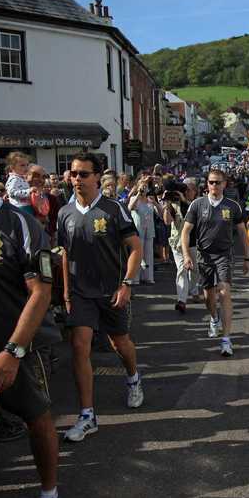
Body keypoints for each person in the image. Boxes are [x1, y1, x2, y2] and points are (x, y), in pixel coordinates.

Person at [0, 147, 59, 497]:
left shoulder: (21, 225)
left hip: (16, 349)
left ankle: (49, 490)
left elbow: (41, 292)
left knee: (37, 420)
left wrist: (13, 350)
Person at [58, 153, 144, 443]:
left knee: (120, 343)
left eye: (83, 174)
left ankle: (133, 378)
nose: (76, 179)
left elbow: (134, 248)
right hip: (81, 293)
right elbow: (65, 254)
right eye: (73, 174)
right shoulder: (65, 213)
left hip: (111, 291)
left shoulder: (114, 209)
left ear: (97, 177)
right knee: (80, 346)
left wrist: (127, 284)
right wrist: (67, 293)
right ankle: (87, 415)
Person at [181, 169, 249, 357]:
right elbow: (185, 232)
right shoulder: (197, 205)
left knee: (224, 293)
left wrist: (246, 257)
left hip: (224, 255)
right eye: (211, 182)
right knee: (208, 298)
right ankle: (213, 318)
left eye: (218, 183)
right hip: (204, 256)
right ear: (207, 184)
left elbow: (243, 233)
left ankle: (226, 340)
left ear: (224, 184)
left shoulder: (232, 206)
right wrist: (187, 255)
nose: (214, 186)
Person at [163, 178, 199, 313]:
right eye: (186, 190)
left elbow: (196, 216)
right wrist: (167, 204)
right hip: (178, 243)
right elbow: (167, 221)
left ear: (194, 192)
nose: (187, 192)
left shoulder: (196, 203)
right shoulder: (173, 204)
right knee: (182, 270)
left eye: (189, 190)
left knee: (195, 271)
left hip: (194, 243)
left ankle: (193, 289)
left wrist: (184, 200)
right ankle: (182, 300)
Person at [128, 174, 160, 285]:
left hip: (149, 229)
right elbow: (130, 208)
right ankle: (135, 278)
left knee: (148, 254)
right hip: (138, 230)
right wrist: (138, 194)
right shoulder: (134, 198)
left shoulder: (150, 199)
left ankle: (148, 277)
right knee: (138, 254)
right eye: (142, 187)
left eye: (146, 187)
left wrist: (155, 202)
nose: (144, 189)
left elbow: (159, 213)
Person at [4, 151, 35, 215]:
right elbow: (12, 192)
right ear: (12, 167)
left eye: (27, 165)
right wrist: (29, 191)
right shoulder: (14, 179)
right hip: (20, 208)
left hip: (26, 206)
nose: (26, 167)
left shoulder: (21, 178)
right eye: (22, 165)